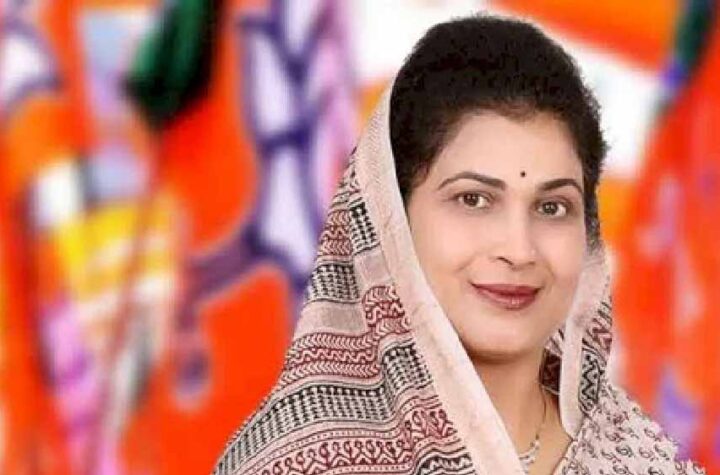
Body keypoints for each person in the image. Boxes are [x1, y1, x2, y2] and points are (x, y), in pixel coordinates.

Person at [212, 14, 706, 475]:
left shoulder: (637, 457)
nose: (519, 250)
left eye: (552, 207)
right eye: (474, 200)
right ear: (390, 217)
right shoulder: (294, 461)